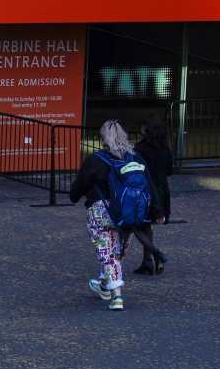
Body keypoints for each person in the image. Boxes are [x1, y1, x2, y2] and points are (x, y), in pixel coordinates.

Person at [69, 119, 137, 311]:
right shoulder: (132, 157)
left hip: (101, 210)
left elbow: (81, 183)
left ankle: (117, 296)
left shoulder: (96, 159)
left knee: (107, 252)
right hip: (127, 210)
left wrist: (74, 196)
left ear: (103, 138)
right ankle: (104, 284)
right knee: (117, 249)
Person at [134, 116, 173, 275]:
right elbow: (169, 171)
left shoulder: (141, 149)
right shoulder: (166, 149)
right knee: (147, 225)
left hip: (145, 191)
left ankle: (154, 255)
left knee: (135, 225)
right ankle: (147, 260)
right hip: (161, 190)